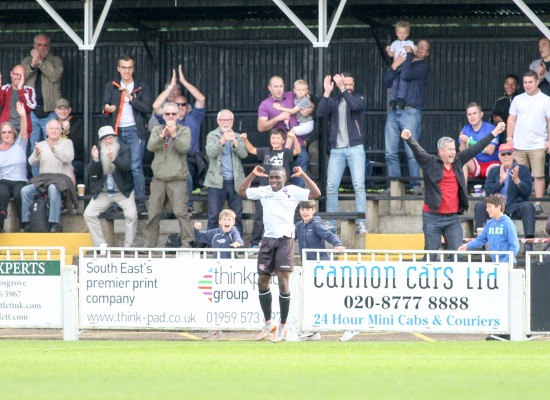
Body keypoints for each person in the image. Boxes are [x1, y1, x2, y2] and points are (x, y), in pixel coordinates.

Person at [237, 165, 321, 343]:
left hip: (285, 240)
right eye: (271, 178)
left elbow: (316, 193)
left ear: (284, 179)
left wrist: (303, 175)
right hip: (267, 240)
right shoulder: (264, 191)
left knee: (283, 282)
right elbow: (241, 191)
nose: (274, 181)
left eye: (277, 178)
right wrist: (253, 174)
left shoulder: (293, 191)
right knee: (262, 281)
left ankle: (283, 324)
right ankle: (268, 323)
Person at [400, 122, 505, 253]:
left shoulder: (458, 160)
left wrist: (495, 132)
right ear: (441, 151)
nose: (453, 152)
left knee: (458, 255)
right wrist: (409, 138)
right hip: (432, 218)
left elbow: (477, 147)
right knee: (430, 256)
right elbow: (418, 151)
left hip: (452, 219)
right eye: (450, 149)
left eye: (454, 149)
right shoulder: (430, 162)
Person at [316, 72, 368, 235]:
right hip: (337, 150)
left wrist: (341, 88)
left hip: (355, 148)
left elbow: (355, 106)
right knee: (331, 186)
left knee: (359, 185)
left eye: (350, 84)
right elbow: (320, 113)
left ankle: (361, 223)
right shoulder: (334, 100)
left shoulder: (358, 98)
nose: (348, 87)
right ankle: (331, 223)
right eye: (345, 84)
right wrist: (326, 92)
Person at [150, 66, 206, 210]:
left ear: (188, 107)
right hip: (169, 156)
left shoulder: (194, 117)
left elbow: (201, 98)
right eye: (177, 104)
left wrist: (183, 81)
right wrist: (170, 87)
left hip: (190, 158)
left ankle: (187, 204)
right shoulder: (169, 119)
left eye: (183, 104)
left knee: (184, 172)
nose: (180, 107)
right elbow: (156, 106)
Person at [102, 54, 152, 214]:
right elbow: (104, 106)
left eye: (130, 67)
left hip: (135, 130)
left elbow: (147, 108)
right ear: (118, 68)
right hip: (116, 131)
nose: (127, 70)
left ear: (133, 68)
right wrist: (107, 108)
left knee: (136, 166)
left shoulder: (142, 86)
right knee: (115, 164)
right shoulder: (111, 85)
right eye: (123, 67)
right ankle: (117, 202)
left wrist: (131, 98)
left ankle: (140, 202)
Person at [143, 102, 193, 248]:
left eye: (173, 114)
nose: (170, 116)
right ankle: (149, 246)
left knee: (181, 212)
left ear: (178, 115)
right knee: (153, 214)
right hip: (158, 179)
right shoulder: (157, 129)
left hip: (177, 179)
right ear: (163, 116)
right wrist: (162, 135)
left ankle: (187, 242)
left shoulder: (184, 130)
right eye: (167, 114)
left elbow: (184, 149)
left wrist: (174, 135)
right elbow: (150, 147)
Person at [384, 39, 431, 194]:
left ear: (427, 53)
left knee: (411, 152)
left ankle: (415, 186)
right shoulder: (403, 61)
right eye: (419, 46)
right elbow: (386, 82)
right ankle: (395, 188)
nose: (420, 49)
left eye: (424, 48)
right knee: (390, 152)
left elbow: (407, 74)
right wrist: (394, 64)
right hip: (393, 111)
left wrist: (408, 55)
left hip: (411, 112)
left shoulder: (422, 67)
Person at [295, 200, 345, 342]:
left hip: (322, 267)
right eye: (303, 209)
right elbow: (289, 238)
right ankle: (313, 331)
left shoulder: (316, 224)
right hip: (309, 267)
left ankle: (347, 326)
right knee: (311, 299)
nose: (305, 212)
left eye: (308, 209)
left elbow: (328, 235)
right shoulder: (299, 226)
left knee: (329, 298)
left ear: (313, 210)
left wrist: (337, 244)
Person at [241, 128, 300, 247]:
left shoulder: (286, 152)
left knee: (285, 215)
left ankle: (288, 240)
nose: (275, 140)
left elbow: (297, 150)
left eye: (278, 138)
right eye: (273, 137)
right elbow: (252, 150)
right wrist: (245, 139)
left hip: (283, 190)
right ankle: (254, 242)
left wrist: (294, 138)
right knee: (259, 216)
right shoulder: (265, 151)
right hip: (265, 189)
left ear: (283, 140)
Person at [473, 143, 535, 253]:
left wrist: (517, 181)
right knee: (479, 206)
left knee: (528, 206)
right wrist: (500, 181)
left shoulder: (523, 170)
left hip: (514, 205)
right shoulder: (494, 171)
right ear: (499, 156)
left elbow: (527, 193)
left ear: (513, 155)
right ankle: (480, 241)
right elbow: (488, 191)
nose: (506, 156)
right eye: (503, 154)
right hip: (497, 205)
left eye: (509, 153)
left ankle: (529, 242)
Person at [83, 126, 138, 249]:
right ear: (101, 141)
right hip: (104, 192)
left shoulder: (124, 148)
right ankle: (100, 244)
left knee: (131, 215)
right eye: (105, 139)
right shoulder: (98, 150)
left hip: (123, 192)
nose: (109, 141)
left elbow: (126, 167)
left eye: (111, 138)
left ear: (115, 138)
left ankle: (129, 247)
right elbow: (92, 172)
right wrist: (96, 159)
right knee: (88, 214)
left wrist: (114, 158)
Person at [194, 209, 244, 341]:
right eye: (225, 220)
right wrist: (197, 230)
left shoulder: (233, 232)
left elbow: (239, 240)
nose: (227, 222)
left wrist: (237, 244)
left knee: (226, 299)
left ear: (233, 222)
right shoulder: (214, 234)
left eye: (229, 220)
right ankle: (215, 329)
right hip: (216, 272)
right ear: (220, 222)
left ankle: (221, 326)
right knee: (214, 300)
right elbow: (200, 237)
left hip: (230, 272)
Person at [506, 70, 550, 215]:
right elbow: (511, 119)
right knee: (518, 175)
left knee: (538, 175)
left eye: (530, 82)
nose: (527, 85)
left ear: (537, 82)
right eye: (525, 82)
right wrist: (509, 138)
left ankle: (538, 203)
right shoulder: (518, 99)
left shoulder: (546, 99)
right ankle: (521, 202)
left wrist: (549, 140)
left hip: (538, 144)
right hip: (519, 145)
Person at [20, 119, 75, 233]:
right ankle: (27, 222)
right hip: (44, 180)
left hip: (61, 181)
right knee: (25, 190)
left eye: (56, 129)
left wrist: (54, 149)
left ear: (61, 131)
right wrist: (35, 153)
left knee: (53, 188)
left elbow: (68, 158)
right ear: (46, 131)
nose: (54, 131)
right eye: (51, 129)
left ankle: (54, 223)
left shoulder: (67, 143)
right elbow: (31, 162)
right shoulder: (41, 144)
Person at [21, 33, 64, 177]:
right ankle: (36, 181)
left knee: (52, 146)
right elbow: (20, 77)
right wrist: (32, 64)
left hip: (50, 112)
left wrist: (40, 62)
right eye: (39, 45)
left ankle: (51, 179)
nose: (42, 48)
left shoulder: (55, 60)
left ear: (49, 46)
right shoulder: (27, 60)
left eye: (45, 45)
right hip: (32, 112)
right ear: (34, 46)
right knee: (35, 148)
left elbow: (54, 75)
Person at [257, 76, 311, 187]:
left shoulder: (292, 95)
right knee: (280, 185)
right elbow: (261, 127)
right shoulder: (265, 104)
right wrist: (278, 118)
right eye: (276, 86)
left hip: (298, 147)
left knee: (299, 185)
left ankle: (298, 204)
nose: (279, 89)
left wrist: (311, 108)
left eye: (281, 86)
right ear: (269, 88)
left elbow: (308, 101)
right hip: (279, 152)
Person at [204, 109, 247, 235]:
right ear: (218, 121)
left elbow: (244, 154)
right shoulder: (212, 135)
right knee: (213, 215)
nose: (226, 122)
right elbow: (210, 153)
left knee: (237, 215)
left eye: (228, 120)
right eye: (223, 120)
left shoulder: (238, 136)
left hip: (236, 182)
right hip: (216, 182)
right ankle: (212, 244)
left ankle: (236, 244)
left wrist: (234, 141)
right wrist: (222, 140)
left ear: (232, 121)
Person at [459, 194, 520, 264]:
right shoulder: (489, 224)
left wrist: (505, 262)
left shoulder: (508, 224)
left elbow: (515, 246)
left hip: (507, 264)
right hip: (495, 263)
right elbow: (481, 239)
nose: (487, 209)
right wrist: (467, 246)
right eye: (487, 207)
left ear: (499, 207)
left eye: (489, 207)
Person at [0, 102, 28, 232]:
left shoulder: (19, 144)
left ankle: (24, 224)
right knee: (2, 193)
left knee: (19, 194)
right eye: (4, 132)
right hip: (3, 180)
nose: (6, 134)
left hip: (19, 180)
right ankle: (1, 225)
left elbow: (23, 131)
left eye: (9, 132)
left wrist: (23, 116)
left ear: (13, 134)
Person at [458, 102, 501, 180]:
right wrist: (463, 141)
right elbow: (463, 152)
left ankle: (493, 192)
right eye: (469, 114)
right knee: (461, 159)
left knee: (494, 172)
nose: (472, 117)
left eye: (474, 113)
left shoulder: (491, 129)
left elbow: (490, 150)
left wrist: (469, 141)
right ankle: (463, 191)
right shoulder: (465, 129)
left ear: (481, 114)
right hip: (475, 164)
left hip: (491, 163)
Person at [271, 79, 314, 149]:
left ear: (306, 91)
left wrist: (279, 108)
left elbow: (293, 111)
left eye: (303, 90)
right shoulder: (297, 98)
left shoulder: (304, 100)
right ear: (294, 91)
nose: (300, 92)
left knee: (291, 132)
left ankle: (286, 150)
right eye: (298, 90)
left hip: (307, 124)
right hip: (301, 123)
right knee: (294, 135)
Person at [385, 20, 415, 110]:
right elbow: (392, 54)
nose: (402, 35)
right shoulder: (394, 43)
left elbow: (413, 53)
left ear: (407, 34)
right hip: (397, 66)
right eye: (400, 33)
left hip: (405, 66)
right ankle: (393, 100)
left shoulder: (410, 43)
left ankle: (400, 99)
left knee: (403, 82)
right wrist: (388, 51)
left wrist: (413, 49)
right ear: (397, 33)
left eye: (404, 33)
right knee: (395, 83)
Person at [55, 98, 85, 183]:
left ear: (70, 110)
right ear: (56, 111)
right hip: (57, 160)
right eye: (60, 109)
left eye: (65, 109)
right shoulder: (53, 124)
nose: (62, 111)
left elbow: (79, 146)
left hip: (74, 160)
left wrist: (67, 133)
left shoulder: (77, 123)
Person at [0, 64, 35, 135]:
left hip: (23, 131)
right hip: (6, 131)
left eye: (21, 75)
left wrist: (20, 89)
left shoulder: (29, 90)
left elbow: (29, 108)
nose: (19, 77)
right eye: (16, 74)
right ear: (11, 74)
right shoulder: (5, 89)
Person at [491, 74, 520, 146]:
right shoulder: (499, 102)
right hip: (503, 137)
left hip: (520, 136)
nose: (509, 87)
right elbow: (492, 119)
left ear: (518, 86)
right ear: (504, 85)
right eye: (507, 84)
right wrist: (496, 120)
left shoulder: (521, 100)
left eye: (512, 84)